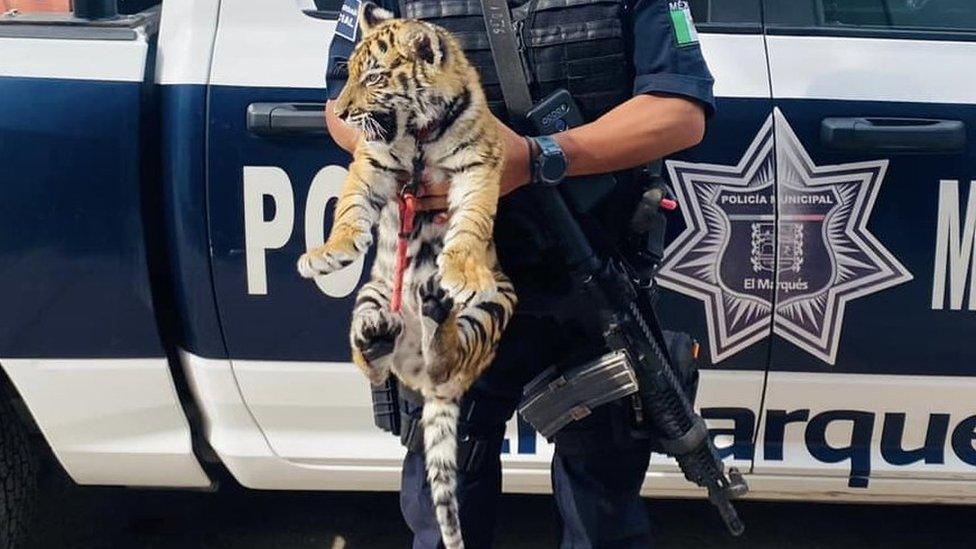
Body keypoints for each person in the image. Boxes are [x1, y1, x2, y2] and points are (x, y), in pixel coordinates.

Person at [324, 0, 715, 546]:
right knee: (446, 511)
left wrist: (537, 157)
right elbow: (343, 107)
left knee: (603, 512)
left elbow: (679, 110)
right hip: (447, 283)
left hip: (589, 275)